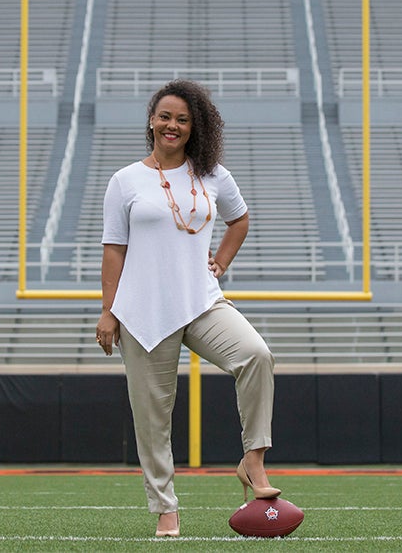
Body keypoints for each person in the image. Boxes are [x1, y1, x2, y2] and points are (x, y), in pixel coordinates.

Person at [95, 79, 280, 538]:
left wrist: (221, 260)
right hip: (142, 311)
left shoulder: (213, 174)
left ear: (196, 126)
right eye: (165, 117)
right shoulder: (125, 181)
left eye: (182, 119)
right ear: (151, 121)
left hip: (200, 301)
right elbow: (114, 251)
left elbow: (240, 219)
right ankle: (166, 510)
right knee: (153, 417)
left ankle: (252, 461)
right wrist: (108, 311)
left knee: (256, 355)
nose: (171, 126)